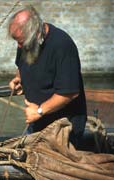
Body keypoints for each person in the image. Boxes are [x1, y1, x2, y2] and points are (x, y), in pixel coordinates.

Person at [8, 5, 87, 148]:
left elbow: (69, 92)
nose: (19, 46)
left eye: (21, 42)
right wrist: (19, 80)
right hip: (37, 123)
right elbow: (21, 66)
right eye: (17, 42)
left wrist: (39, 111)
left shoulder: (62, 45)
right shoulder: (25, 42)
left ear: (36, 34)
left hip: (63, 127)